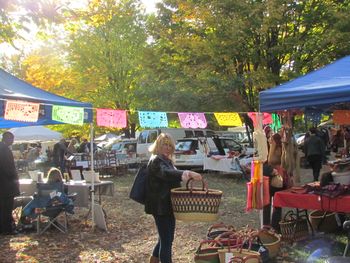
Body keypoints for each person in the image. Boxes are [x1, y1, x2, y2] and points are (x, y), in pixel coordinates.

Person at [145, 133, 202, 263]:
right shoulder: (156, 160)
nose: (168, 148)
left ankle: (153, 260)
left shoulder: (166, 160)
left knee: (165, 238)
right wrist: (187, 173)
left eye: (170, 145)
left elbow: (170, 175)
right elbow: (167, 173)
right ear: (158, 145)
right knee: (166, 240)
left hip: (167, 205)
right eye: (165, 144)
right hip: (160, 206)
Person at [0, 131, 20, 235]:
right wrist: (15, 178)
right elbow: (8, 168)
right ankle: (6, 229)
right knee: (6, 208)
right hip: (6, 185)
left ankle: (4, 228)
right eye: (12, 139)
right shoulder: (4, 150)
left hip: (3, 184)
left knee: (3, 207)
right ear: (7, 138)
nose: (13, 141)